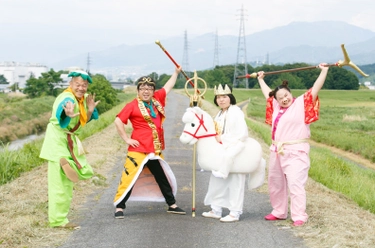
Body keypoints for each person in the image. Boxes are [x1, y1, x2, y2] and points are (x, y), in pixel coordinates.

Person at [257, 63, 329, 227]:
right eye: (280, 97)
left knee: (295, 183)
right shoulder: (276, 105)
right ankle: (279, 212)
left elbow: (315, 88)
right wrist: (261, 79)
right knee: (276, 182)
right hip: (277, 150)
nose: (283, 99)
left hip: (296, 151)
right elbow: (267, 94)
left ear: (290, 93)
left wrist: (324, 71)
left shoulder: (301, 104)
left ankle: (299, 215)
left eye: (285, 95)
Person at [113, 67, 186, 219]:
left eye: (149, 88)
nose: (146, 91)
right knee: (130, 176)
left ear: (153, 91)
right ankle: (119, 206)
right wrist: (127, 139)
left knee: (161, 176)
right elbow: (118, 120)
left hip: (154, 148)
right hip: (138, 148)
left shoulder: (157, 100)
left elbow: (168, 87)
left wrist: (176, 73)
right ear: (138, 91)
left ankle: (171, 204)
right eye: (143, 89)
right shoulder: (132, 105)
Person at [39, 70, 100, 229]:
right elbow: (63, 106)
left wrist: (91, 109)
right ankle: (58, 221)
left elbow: (84, 120)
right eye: (78, 84)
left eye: (84, 85)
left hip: (69, 141)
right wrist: (67, 112)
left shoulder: (83, 99)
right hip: (57, 141)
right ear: (70, 84)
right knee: (60, 185)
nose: (81, 88)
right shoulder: (67, 97)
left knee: (85, 170)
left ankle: (68, 165)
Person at [202, 83, 248, 223]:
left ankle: (235, 213)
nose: (221, 100)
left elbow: (241, 134)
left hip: (235, 149)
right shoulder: (220, 114)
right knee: (216, 181)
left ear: (230, 97)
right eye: (218, 97)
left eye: (224, 97)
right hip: (222, 150)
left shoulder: (235, 112)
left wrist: (222, 138)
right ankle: (216, 209)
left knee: (235, 182)